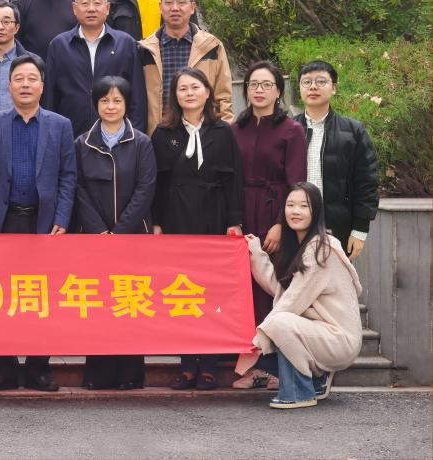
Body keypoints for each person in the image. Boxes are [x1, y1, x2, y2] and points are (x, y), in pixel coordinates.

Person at [0, 53, 77, 393]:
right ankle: (2, 370)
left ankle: (39, 369)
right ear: (9, 85)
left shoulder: (60, 125)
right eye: (18, 79)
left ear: (42, 86)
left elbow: (68, 176)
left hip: (43, 223)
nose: (25, 85)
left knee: (42, 297)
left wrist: (62, 218)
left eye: (32, 79)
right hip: (2, 223)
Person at [151, 67, 244, 391]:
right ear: (174, 96)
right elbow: (157, 184)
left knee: (211, 292)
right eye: (182, 89)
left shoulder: (223, 132)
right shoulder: (163, 133)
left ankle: (209, 365)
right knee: (182, 293)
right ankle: (187, 364)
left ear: (207, 92)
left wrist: (234, 221)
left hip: (214, 217)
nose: (189, 93)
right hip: (177, 218)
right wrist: (157, 223)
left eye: (195, 87)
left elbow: (234, 180)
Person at [240, 183, 363, 409]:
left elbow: (292, 301)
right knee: (276, 326)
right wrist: (256, 252)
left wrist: (259, 340)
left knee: (278, 324)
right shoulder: (300, 245)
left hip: (338, 339)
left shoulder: (321, 249)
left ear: (316, 211)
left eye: (304, 206)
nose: (295, 211)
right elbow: (282, 290)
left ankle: (299, 392)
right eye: (290, 205)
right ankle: (315, 381)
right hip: (320, 333)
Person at [72, 75, 156, 391]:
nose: (111, 106)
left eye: (117, 100)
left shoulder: (142, 143)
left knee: (129, 302)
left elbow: (146, 189)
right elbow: (78, 188)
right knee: (98, 304)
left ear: (126, 104)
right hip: (93, 237)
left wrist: (120, 232)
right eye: (104, 100)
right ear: (96, 104)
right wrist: (99, 231)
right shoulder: (81, 143)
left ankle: (130, 374)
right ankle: (98, 374)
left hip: (133, 237)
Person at [233, 61, 308, 323]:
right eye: (253, 84)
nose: (259, 90)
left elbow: (297, 183)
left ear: (278, 91)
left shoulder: (292, 130)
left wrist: (280, 225)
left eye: (266, 85)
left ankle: (272, 343)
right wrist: (233, 220)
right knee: (242, 278)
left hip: (275, 209)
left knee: (272, 279)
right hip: (242, 209)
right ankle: (245, 340)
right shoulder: (235, 129)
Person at [294, 60, 379, 256]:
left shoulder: (353, 131)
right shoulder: (288, 130)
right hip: (295, 225)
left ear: (334, 88)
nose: (313, 86)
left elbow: (366, 182)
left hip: (337, 226)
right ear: (300, 88)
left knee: (336, 276)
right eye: (306, 82)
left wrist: (360, 229)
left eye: (321, 81)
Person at [43, 0, 146, 136]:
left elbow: (137, 97)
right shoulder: (59, 45)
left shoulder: (125, 44)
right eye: (85, 3)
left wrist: (134, 136)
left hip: (116, 136)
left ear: (107, 8)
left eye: (97, 3)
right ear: (74, 8)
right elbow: (50, 97)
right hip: (70, 135)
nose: (91, 9)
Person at [140, 0, 233, 129]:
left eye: (181, 2)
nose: (174, 8)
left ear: (192, 7)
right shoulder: (145, 49)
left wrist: (224, 132)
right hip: (159, 133)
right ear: (160, 7)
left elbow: (224, 98)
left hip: (203, 133)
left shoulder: (212, 46)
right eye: (168, 3)